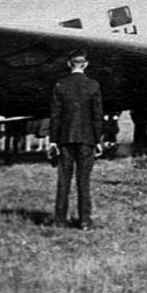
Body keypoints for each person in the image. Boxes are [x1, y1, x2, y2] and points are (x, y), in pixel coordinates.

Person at [49, 50, 103, 229]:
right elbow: (97, 116)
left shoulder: (60, 84)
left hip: (65, 138)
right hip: (87, 139)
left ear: (68, 64)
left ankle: (59, 220)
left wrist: (53, 140)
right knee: (84, 180)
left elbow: (55, 116)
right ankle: (85, 221)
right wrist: (98, 140)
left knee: (63, 180)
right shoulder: (93, 85)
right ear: (85, 65)